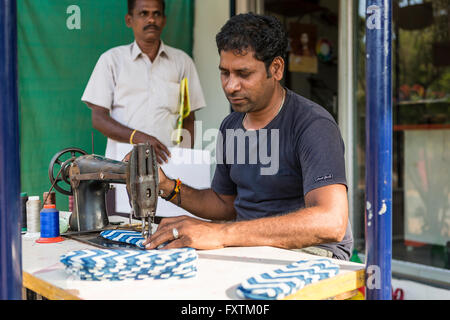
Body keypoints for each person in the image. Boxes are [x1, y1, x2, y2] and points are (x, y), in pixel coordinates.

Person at [144, 13, 353, 260]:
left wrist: (220, 234)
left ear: (275, 69)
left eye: (243, 74)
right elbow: (224, 203)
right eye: (225, 73)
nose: (231, 86)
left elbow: (331, 222)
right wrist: (166, 186)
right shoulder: (231, 125)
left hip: (310, 253)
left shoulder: (312, 124)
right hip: (249, 247)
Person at [81, 0, 206, 164]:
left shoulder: (182, 62)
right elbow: (98, 119)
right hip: (120, 168)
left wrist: (181, 159)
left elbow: (188, 119)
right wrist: (137, 137)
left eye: (157, 14)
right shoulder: (111, 60)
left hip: (167, 167)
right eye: (143, 14)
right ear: (129, 20)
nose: (151, 20)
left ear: (164, 20)